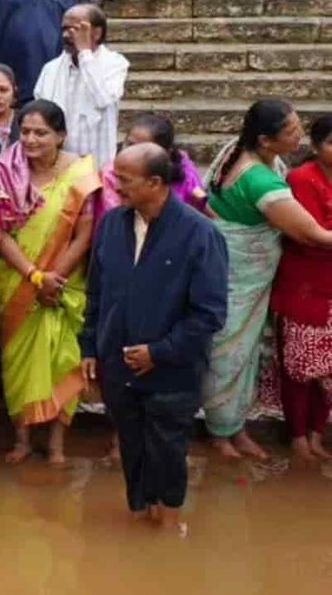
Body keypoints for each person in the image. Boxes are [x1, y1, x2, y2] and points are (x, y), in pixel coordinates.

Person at [83, 142, 226, 527]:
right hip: (118, 364)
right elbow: (96, 292)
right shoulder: (112, 224)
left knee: (167, 447)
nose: (115, 184)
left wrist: (159, 352)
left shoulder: (200, 234)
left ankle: (168, 524)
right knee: (132, 446)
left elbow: (210, 313)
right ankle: (141, 517)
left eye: (125, 179)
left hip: (172, 371)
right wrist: (89, 347)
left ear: (156, 182)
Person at [203, 100, 332, 460]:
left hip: (242, 275)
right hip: (239, 277)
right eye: (291, 132)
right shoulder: (260, 180)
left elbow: (209, 200)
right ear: (265, 140)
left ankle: (234, 427)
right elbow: (314, 236)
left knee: (243, 354)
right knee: (228, 353)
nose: (300, 136)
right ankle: (220, 431)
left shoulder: (238, 150)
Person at [0, 99, 99, 464]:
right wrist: (35, 275)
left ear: (61, 135)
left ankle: (56, 444)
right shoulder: (4, 170)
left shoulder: (82, 172)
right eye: (26, 132)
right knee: (17, 361)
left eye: (42, 132)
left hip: (64, 282)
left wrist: (55, 277)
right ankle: (21, 439)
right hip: (16, 280)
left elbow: (84, 233)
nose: (32, 140)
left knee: (62, 359)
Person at [272, 115, 332, 462]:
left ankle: (316, 433)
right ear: (316, 146)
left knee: (328, 368)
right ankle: (297, 436)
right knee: (299, 366)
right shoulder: (300, 178)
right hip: (304, 284)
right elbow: (306, 236)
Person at [33, 4, 127, 173]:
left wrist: (85, 53)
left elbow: (103, 99)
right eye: (64, 28)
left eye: (74, 29)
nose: (65, 35)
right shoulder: (51, 69)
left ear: (96, 33)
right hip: (56, 170)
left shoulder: (114, 63)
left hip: (97, 168)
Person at [98, 113, 207, 211]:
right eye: (130, 144)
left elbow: (199, 200)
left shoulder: (182, 164)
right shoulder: (111, 172)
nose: (133, 152)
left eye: (143, 148)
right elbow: (116, 214)